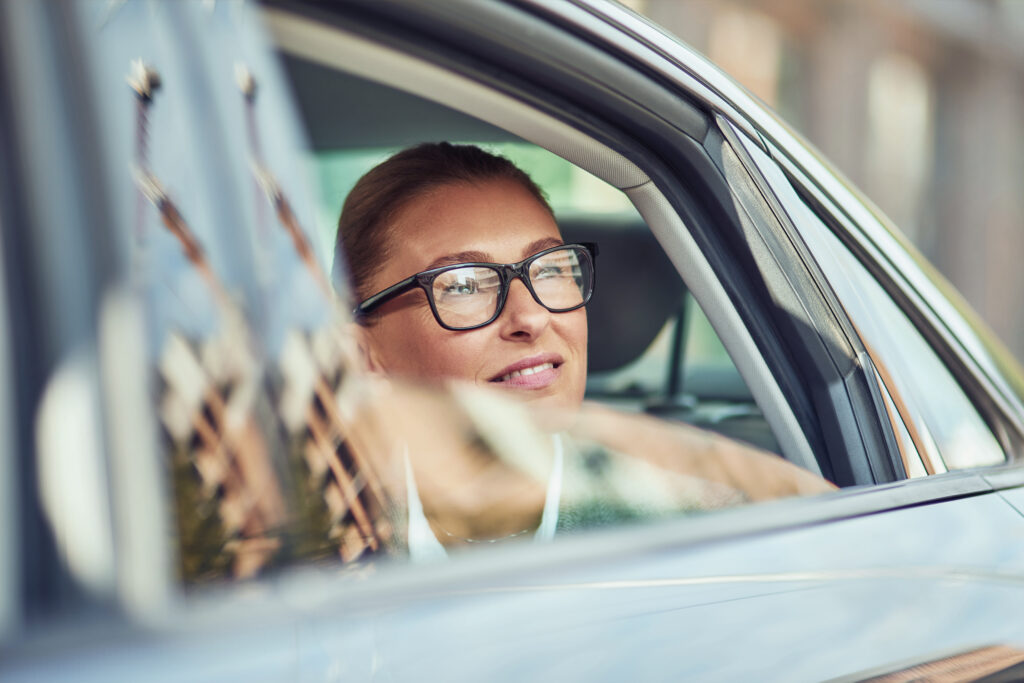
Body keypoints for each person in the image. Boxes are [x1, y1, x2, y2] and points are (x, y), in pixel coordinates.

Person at [334, 142, 833, 556]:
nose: (531, 317)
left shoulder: (707, 527)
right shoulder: (305, 535)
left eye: (550, 269)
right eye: (464, 285)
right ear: (364, 356)